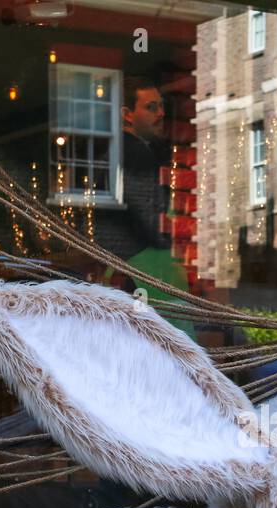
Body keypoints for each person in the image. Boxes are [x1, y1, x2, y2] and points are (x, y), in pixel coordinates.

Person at [100, 75, 191, 328]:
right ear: (127, 114)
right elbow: (151, 224)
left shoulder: (118, 151)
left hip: (136, 275)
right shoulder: (135, 154)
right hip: (146, 277)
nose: (161, 113)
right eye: (151, 107)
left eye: (161, 106)